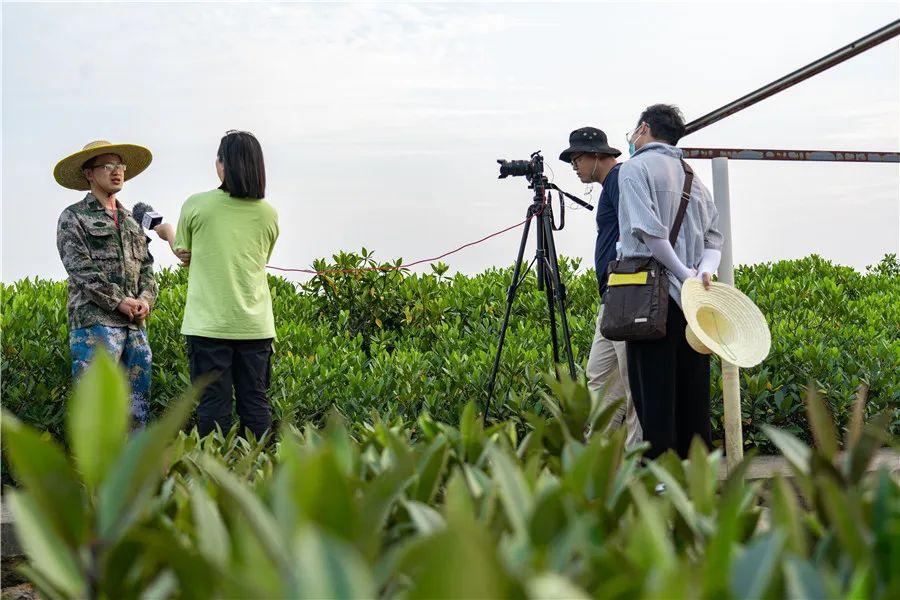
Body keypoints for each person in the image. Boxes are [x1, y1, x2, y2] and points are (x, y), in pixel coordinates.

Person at [617, 104, 724, 459]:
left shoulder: (633, 170)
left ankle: (662, 477)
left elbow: (649, 235)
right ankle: (699, 473)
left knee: (654, 394)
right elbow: (714, 240)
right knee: (693, 392)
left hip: (651, 300)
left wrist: (680, 273)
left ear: (643, 128)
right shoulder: (693, 177)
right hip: (695, 305)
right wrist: (701, 274)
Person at [174, 130, 279, 439]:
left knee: (213, 407)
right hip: (255, 327)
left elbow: (184, 252)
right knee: (256, 403)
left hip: (208, 326)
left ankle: (213, 478)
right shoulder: (268, 214)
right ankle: (262, 478)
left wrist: (167, 234)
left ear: (223, 164)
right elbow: (259, 259)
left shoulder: (196, 205)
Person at [54, 140, 157, 425]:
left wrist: (145, 301)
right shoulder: (73, 216)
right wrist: (119, 301)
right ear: (89, 173)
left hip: (135, 329)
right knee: (96, 413)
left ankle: (134, 470)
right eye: (107, 166)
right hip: (95, 326)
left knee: (137, 414)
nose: (116, 172)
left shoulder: (132, 221)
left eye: (120, 165)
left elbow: (147, 267)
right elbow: (79, 268)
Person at [559, 127, 642, 446]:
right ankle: (597, 455)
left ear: (597, 155)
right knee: (600, 376)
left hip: (626, 292)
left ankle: (637, 459)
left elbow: (634, 230)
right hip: (612, 297)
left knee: (632, 383)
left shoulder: (621, 180)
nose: (575, 166)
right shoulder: (613, 184)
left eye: (577, 157)